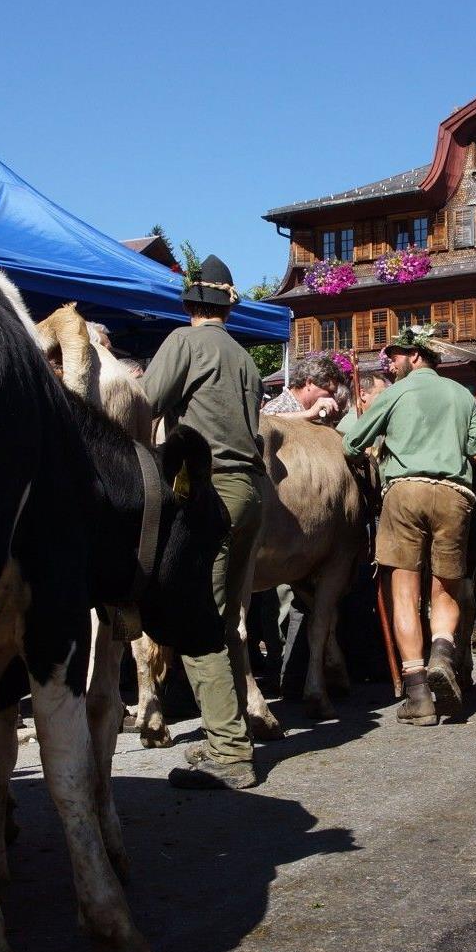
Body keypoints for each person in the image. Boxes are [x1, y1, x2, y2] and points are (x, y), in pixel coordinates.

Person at [143, 255, 268, 791]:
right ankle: (233, 731)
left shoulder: (183, 343)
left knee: (197, 622)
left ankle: (231, 753)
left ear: (191, 304)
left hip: (208, 492)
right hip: (250, 492)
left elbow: (144, 402)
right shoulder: (246, 359)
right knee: (224, 619)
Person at [340, 326, 476, 724]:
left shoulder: (395, 393)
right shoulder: (462, 395)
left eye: (397, 355)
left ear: (417, 356)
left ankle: (419, 694)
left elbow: (351, 443)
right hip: (455, 495)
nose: (391, 361)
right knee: (445, 587)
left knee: (403, 593)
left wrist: (385, 444)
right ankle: (442, 653)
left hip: (405, 493)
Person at [264, 353, 342, 420]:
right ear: (309, 383)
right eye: (330, 392)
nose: (333, 398)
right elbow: (264, 421)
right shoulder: (280, 406)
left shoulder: (314, 410)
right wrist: (309, 414)